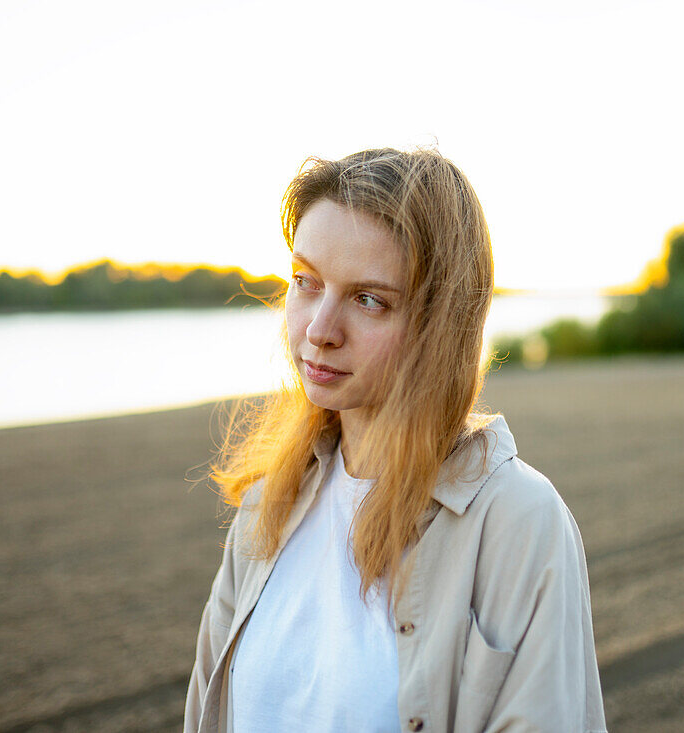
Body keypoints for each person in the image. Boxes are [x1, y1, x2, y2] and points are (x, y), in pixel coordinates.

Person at [185, 148, 607, 732]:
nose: (319, 330)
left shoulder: (518, 522)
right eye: (305, 282)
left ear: (442, 325)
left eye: (368, 300)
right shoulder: (266, 507)